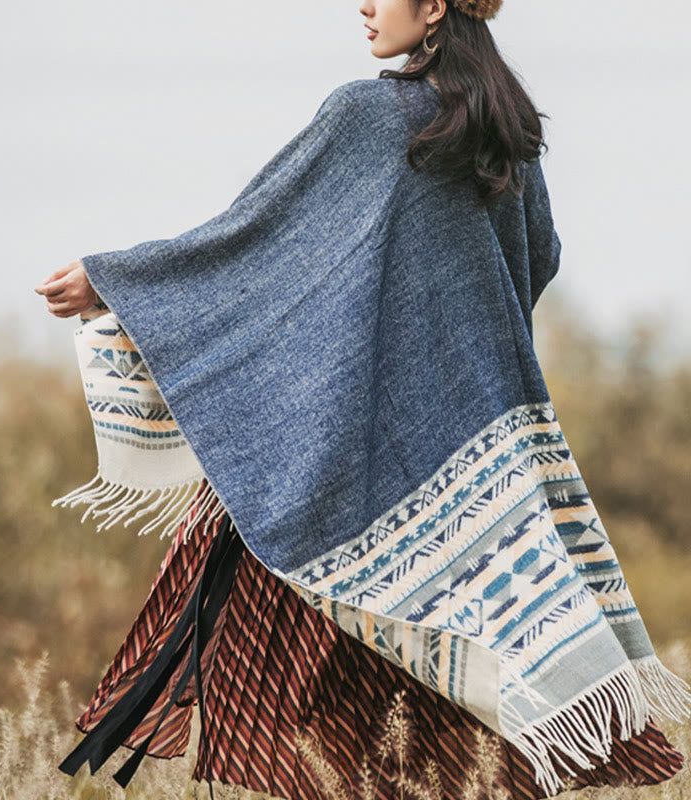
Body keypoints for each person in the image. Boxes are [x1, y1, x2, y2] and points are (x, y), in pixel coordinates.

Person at [34, 2, 689, 799]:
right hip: (482, 473)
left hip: (346, 475)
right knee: (438, 738)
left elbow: (254, 244)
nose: (364, 5)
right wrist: (446, 339)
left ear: (438, 4)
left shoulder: (369, 117)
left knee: (327, 737)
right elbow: (536, 260)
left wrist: (117, 280)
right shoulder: (510, 136)